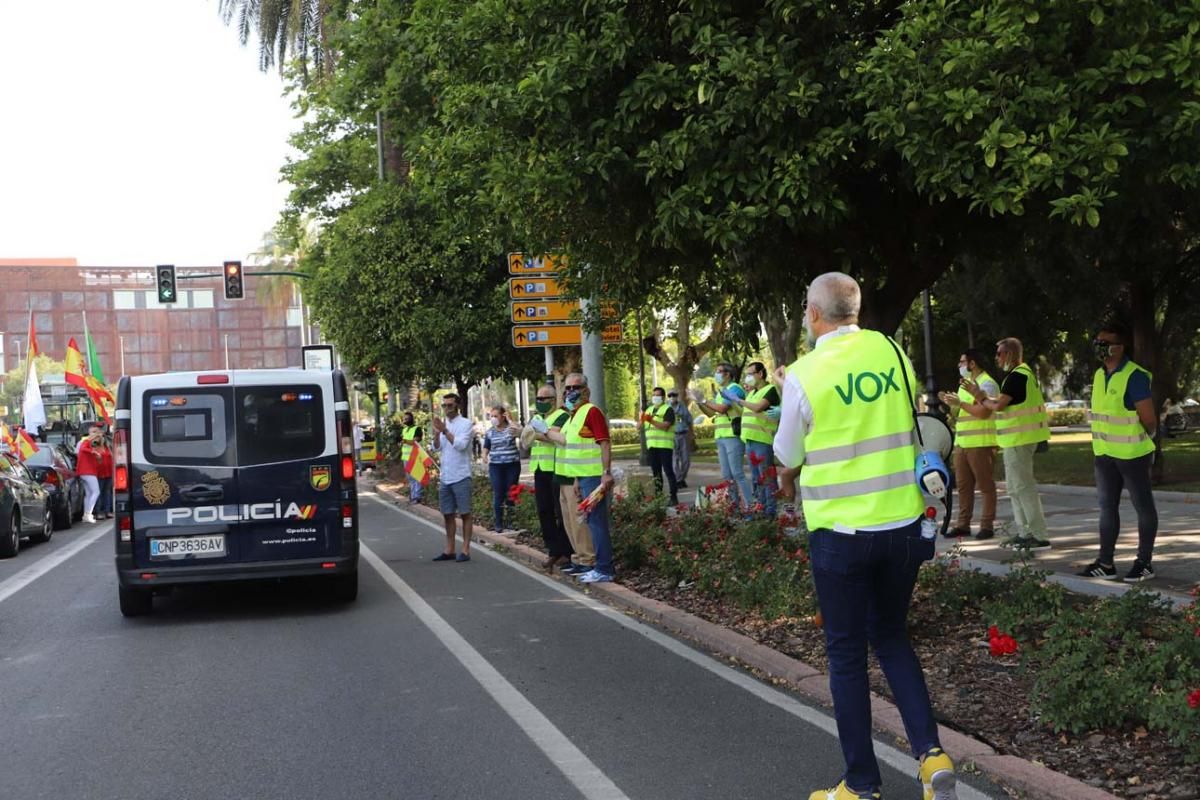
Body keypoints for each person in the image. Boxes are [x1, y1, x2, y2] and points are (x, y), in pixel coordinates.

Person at [774, 272, 958, 800]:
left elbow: (788, 454)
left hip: (842, 535)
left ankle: (860, 785)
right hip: (903, 525)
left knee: (847, 656)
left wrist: (789, 392)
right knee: (893, 636)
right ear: (855, 308)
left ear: (812, 313)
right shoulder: (890, 351)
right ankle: (931, 756)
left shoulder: (806, 374)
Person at [1078, 322, 1159, 582]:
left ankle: (1144, 562)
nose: (1098, 347)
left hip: (1133, 454)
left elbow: (1149, 418)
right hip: (1104, 454)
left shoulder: (1134, 376)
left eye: (1105, 342)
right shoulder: (1100, 375)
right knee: (1107, 508)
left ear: (1120, 347)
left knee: (1143, 507)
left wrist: (1147, 438)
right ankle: (1106, 563)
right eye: (1097, 341)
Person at [967, 338, 1051, 550]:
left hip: (1019, 441)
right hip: (1017, 441)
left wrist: (979, 396)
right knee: (1015, 488)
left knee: (1022, 488)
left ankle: (1038, 536)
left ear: (1010, 354)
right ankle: (1025, 533)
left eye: (999, 354)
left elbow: (997, 405)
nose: (997, 358)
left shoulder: (1017, 377)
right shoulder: (1022, 375)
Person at [545, 373, 615, 583]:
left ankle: (604, 568)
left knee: (597, 523)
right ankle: (601, 567)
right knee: (592, 522)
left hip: (594, 477)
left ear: (585, 389)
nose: (569, 392)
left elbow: (604, 443)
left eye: (574, 387)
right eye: (566, 388)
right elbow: (577, 450)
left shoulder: (591, 412)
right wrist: (576, 479)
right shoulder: (575, 414)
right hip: (582, 477)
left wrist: (606, 472)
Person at [938, 349, 1000, 540]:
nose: (960, 365)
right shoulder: (965, 386)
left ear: (972, 364)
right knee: (964, 487)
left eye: (962, 362)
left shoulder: (987, 383)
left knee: (985, 486)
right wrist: (951, 403)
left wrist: (961, 404)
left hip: (981, 443)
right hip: (963, 443)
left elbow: (983, 413)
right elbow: (961, 414)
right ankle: (963, 525)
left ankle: (987, 526)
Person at [695, 362, 752, 509]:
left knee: (737, 473)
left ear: (728, 374)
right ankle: (735, 506)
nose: (717, 374)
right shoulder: (723, 391)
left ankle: (750, 506)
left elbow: (721, 409)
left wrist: (704, 400)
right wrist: (700, 403)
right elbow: (711, 413)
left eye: (719, 372)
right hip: (721, 436)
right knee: (727, 475)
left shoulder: (734, 389)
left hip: (732, 436)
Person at [726, 361, 779, 516]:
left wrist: (738, 399)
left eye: (750, 374)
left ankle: (770, 511)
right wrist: (732, 401)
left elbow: (757, 408)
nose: (747, 377)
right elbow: (745, 412)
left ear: (760, 374)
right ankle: (761, 508)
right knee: (757, 479)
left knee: (767, 478)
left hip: (762, 441)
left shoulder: (770, 390)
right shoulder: (752, 393)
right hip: (749, 441)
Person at [530, 385, 573, 569]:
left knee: (560, 512)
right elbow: (529, 437)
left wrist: (534, 433)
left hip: (555, 468)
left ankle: (566, 551)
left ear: (554, 400)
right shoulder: (538, 417)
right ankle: (553, 550)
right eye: (538, 399)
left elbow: (552, 437)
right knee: (544, 510)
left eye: (544, 399)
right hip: (539, 468)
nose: (540, 402)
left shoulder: (562, 415)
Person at [431, 393, 475, 562]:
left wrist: (444, 430)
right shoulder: (443, 425)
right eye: (444, 405)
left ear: (457, 405)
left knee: (465, 513)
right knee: (447, 514)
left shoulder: (465, 424)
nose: (447, 408)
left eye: (450, 405)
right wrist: (436, 434)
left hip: (461, 475)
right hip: (446, 476)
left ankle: (465, 550)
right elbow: (436, 448)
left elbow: (461, 445)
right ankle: (449, 549)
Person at [483, 404, 522, 533]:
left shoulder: (511, 428)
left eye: (496, 416)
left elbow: (519, 431)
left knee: (511, 491)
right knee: (498, 492)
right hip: (496, 466)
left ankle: (511, 521)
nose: (493, 418)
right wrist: (484, 455)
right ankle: (499, 522)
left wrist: (510, 420)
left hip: (512, 464)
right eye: (491, 416)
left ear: (503, 416)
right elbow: (486, 446)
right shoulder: (490, 432)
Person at [642, 386, 679, 506]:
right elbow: (639, 426)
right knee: (656, 473)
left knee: (668, 471)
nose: (655, 397)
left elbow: (666, 426)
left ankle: (673, 497)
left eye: (657, 395)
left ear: (663, 397)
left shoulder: (668, 409)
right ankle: (658, 497)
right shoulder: (649, 410)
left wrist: (651, 420)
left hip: (665, 446)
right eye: (653, 395)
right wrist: (641, 418)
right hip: (652, 447)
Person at [75, 424, 104, 524]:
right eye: (94, 432)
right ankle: (88, 514)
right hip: (87, 471)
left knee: (88, 494)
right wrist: (94, 452)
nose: (96, 434)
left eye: (97, 432)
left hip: (85, 471)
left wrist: (97, 456)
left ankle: (85, 515)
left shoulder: (92, 443)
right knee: (96, 492)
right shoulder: (86, 441)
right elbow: (83, 449)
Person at [668, 389, 693, 488]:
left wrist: (691, 434)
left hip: (683, 434)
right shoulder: (666, 408)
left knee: (686, 460)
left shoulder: (683, 407)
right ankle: (678, 480)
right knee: (675, 460)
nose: (672, 397)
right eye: (670, 395)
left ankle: (682, 477)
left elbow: (689, 420)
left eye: (674, 395)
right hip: (672, 435)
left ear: (677, 396)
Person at [400, 411, 424, 504]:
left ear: (411, 419)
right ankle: (413, 496)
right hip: (405, 456)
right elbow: (403, 441)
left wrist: (405, 441)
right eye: (404, 419)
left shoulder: (417, 429)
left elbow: (415, 441)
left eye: (407, 419)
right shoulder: (404, 430)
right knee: (410, 478)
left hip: (415, 456)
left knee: (416, 476)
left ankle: (417, 497)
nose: (405, 420)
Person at [95, 426, 114, 520]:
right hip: (98, 473)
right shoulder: (94, 446)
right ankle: (98, 512)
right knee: (99, 493)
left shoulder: (108, 447)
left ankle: (108, 511)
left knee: (107, 492)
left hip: (108, 473)